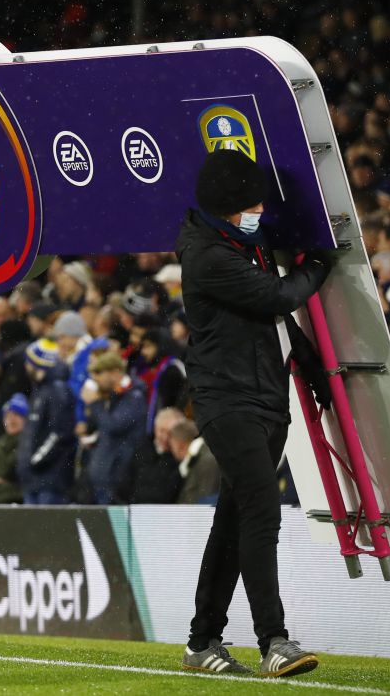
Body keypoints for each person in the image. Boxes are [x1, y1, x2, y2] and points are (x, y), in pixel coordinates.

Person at [175, 149, 333, 676]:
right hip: (228, 400)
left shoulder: (242, 242)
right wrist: (321, 263)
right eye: (251, 202)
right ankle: (274, 640)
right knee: (262, 509)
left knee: (234, 520)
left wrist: (309, 370)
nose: (260, 209)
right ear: (228, 206)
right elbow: (279, 298)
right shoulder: (208, 256)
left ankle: (202, 641)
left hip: (267, 397)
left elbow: (277, 323)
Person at [81, 351, 146, 504]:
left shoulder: (134, 396)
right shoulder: (112, 396)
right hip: (104, 474)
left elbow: (114, 425)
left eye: (99, 373)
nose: (95, 380)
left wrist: (96, 404)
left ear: (115, 373)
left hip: (118, 477)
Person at [17, 338, 76, 504]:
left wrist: (36, 460)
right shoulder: (41, 390)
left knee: (49, 529)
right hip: (36, 480)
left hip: (50, 480)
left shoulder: (57, 391)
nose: (26, 367)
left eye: (29, 362)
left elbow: (60, 433)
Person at [117, 406, 184, 504]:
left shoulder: (180, 457)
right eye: (162, 431)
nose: (165, 437)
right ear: (155, 428)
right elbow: (123, 485)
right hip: (136, 511)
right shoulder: (140, 449)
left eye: (170, 433)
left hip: (168, 514)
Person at [168, 418, 221, 505]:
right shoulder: (201, 458)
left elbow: (205, 503)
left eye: (171, 446)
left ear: (180, 445)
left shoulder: (206, 462)